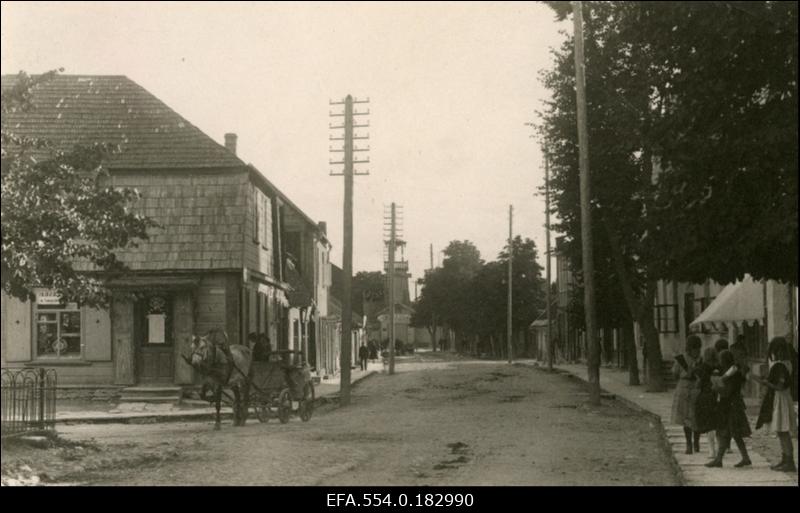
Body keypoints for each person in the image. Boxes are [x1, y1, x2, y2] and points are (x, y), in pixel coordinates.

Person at [755, 337, 797, 472]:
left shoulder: (780, 365)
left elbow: (780, 386)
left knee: (783, 431)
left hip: (781, 399)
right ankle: (785, 459)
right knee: (782, 431)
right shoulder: (788, 363)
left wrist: (765, 383)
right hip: (785, 398)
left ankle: (789, 461)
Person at [705, 349, 752, 468]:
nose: (720, 362)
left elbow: (728, 392)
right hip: (731, 405)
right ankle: (742, 458)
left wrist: (716, 388)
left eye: (721, 360)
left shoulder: (733, 374)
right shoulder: (730, 372)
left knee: (727, 432)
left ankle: (720, 459)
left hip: (731, 405)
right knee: (731, 433)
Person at [671, 335, 703, 454]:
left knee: (695, 417)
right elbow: (674, 374)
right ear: (690, 348)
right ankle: (691, 444)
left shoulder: (685, 359)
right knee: (689, 418)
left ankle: (694, 443)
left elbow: (674, 374)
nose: (697, 351)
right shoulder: (695, 359)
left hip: (690, 387)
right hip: (689, 388)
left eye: (698, 348)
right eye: (695, 348)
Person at [694, 346, 721, 459]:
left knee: (709, 425)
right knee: (718, 424)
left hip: (705, 396)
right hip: (718, 396)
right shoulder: (720, 367)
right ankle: (721, 448)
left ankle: (712, 450)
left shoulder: (702, 368)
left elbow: (698, 384)